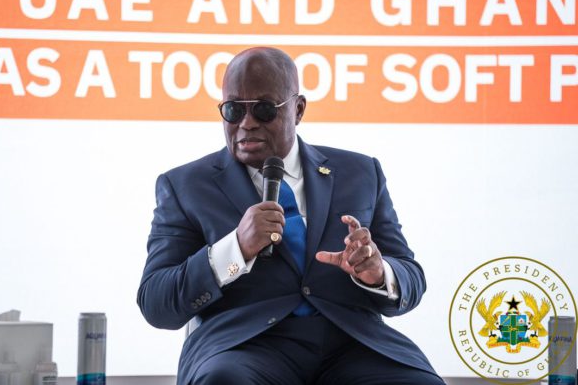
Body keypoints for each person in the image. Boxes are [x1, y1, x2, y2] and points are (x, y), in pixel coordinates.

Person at [137, 47, 444, 384]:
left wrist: (378, 272)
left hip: (352, 344)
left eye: (264, 109)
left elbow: (411, 276)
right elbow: (156, 303)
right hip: (245, 347)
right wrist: (235, 249)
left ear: (298, 110)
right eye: (234, 110)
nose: (247, 123)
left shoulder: (360, 172)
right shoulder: (185, 185)